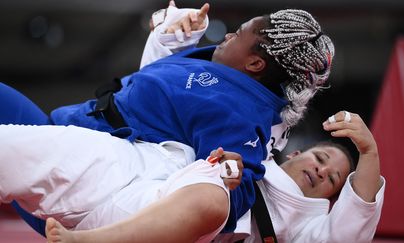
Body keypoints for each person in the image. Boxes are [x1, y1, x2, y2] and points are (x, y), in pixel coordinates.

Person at [1, 1, 336, 234]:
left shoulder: (245, 113)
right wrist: (170, 36)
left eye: (240, 32)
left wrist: (231, 173)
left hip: (80, 174)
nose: (229, 34)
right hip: (64, 130)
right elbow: (154, 93)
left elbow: (234, 189)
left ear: (255, 64)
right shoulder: (224, 72)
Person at [29, 110, 383, 243]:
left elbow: (349, 228)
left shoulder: (310, 225)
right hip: (126, 191)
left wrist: (369, 152)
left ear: (329, 199)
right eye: (321, 159)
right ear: (294, 153)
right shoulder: (253, 149)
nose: (322, 171)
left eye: (332, 179)